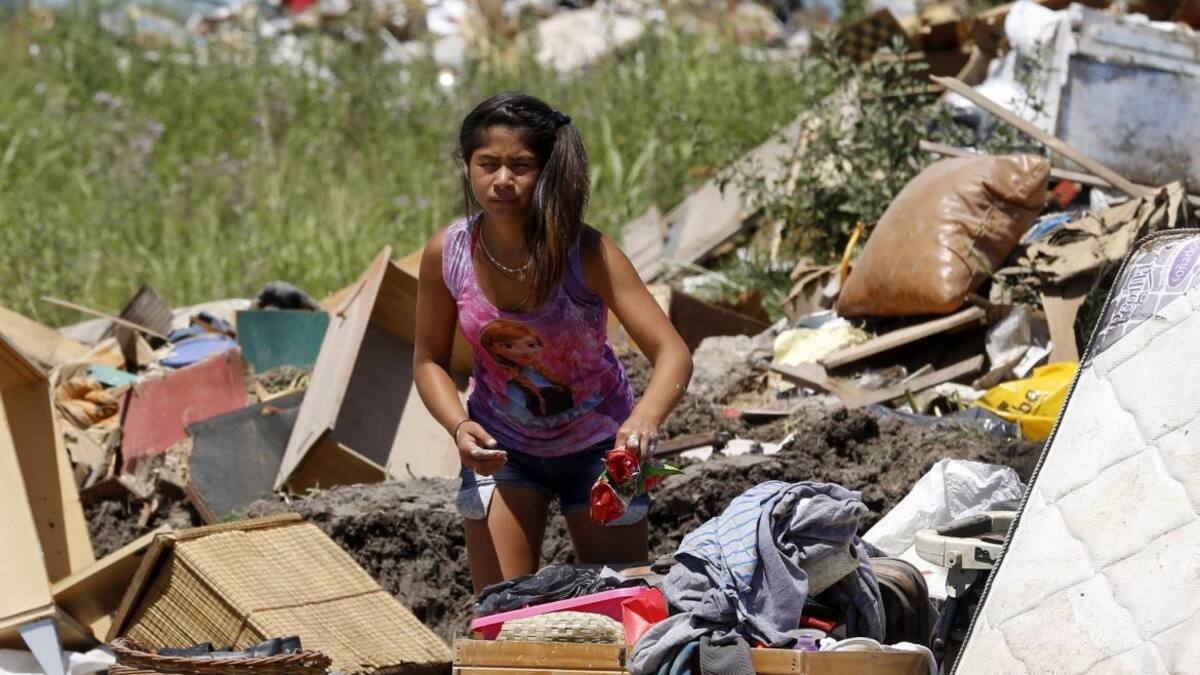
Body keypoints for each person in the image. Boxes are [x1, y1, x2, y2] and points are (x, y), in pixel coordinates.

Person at [413, 92, 693, 593]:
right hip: (501, 449)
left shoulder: (587, 253)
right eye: (488, 164)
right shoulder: (447, 253)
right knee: (499, 614)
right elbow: (429, 360)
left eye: (521, 165)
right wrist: (459, 426)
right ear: (466, 167)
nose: (502, 180)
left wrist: (643, 420)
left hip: (602, 449)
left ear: (546, 172)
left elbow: (672, 352)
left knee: (620, 606)